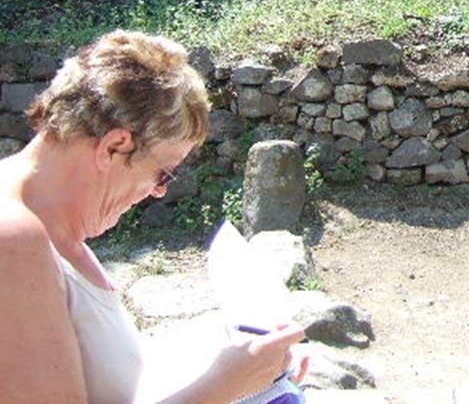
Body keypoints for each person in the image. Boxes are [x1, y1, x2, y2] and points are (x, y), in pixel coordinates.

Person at [0, 30, 308, 403]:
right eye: (163, 172)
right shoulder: (12, 239)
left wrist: (248, 368)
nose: (159, 190)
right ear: (115, 146)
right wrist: (223, 387)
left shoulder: (49, 228)